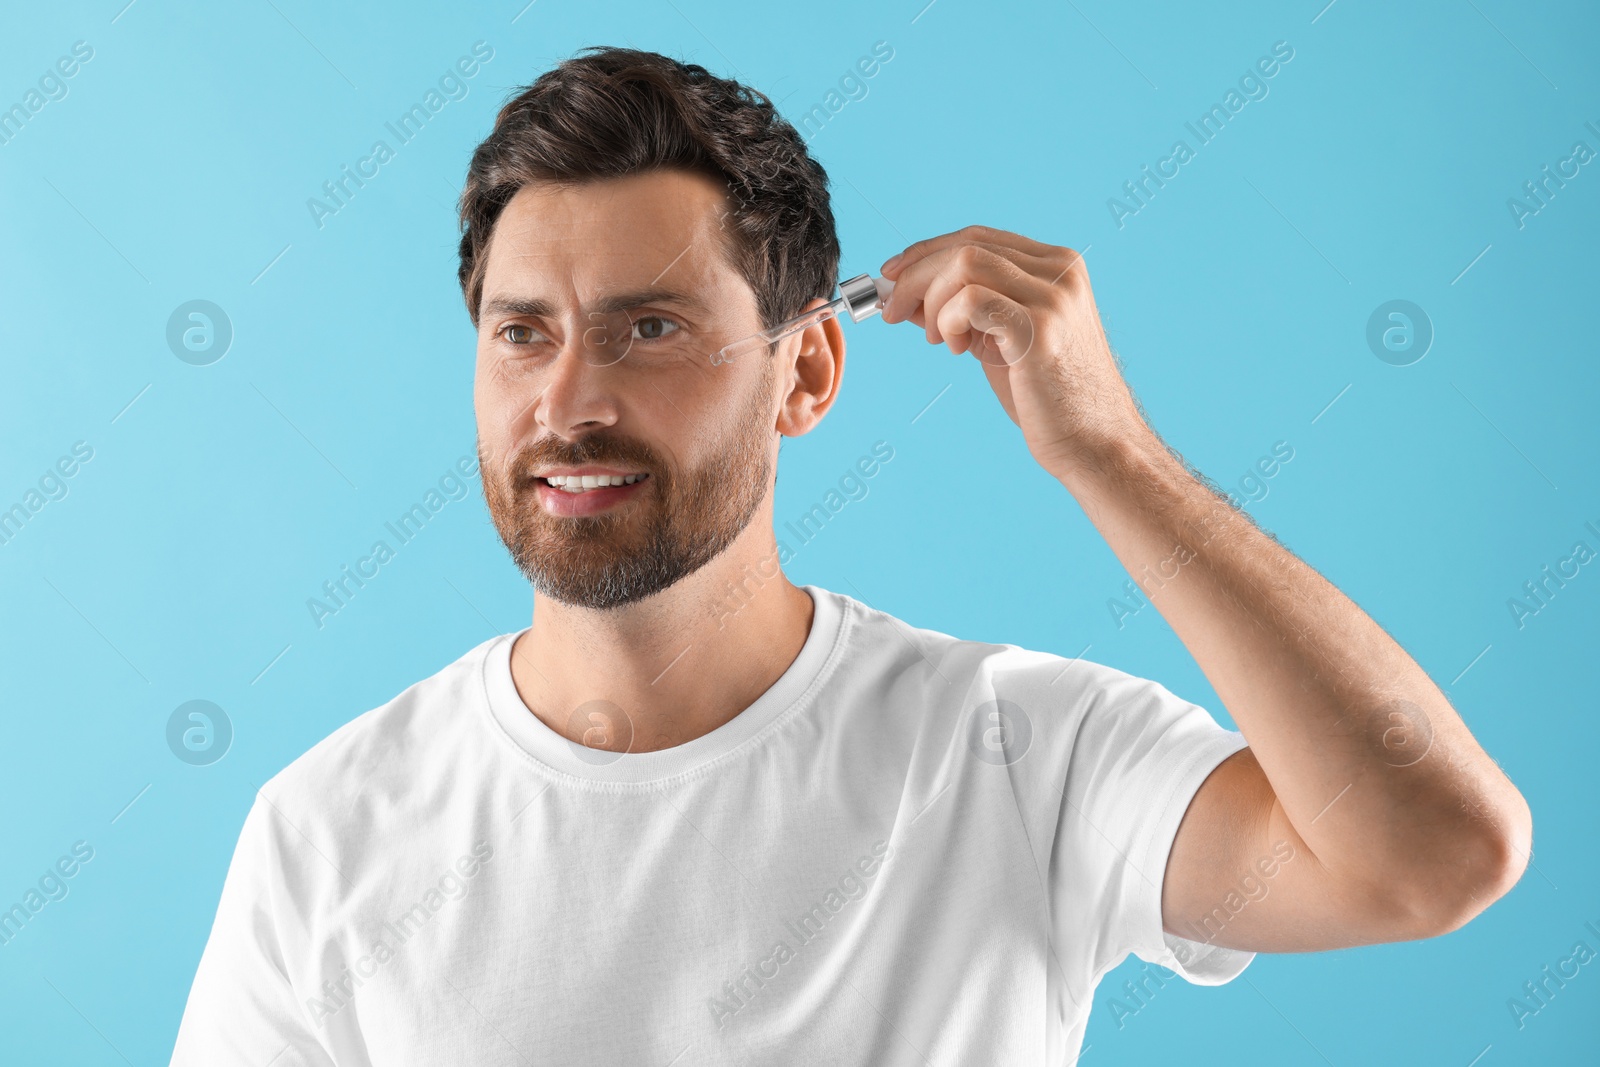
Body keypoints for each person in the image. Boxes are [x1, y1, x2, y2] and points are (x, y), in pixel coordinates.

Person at [170, 46, 1531, 1066]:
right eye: (524, 332)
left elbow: (1436, 856)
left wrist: (1106, 451)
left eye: (650, 329)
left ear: (806, 367)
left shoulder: (1025, 758)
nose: (569, 400)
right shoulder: (329, 831)